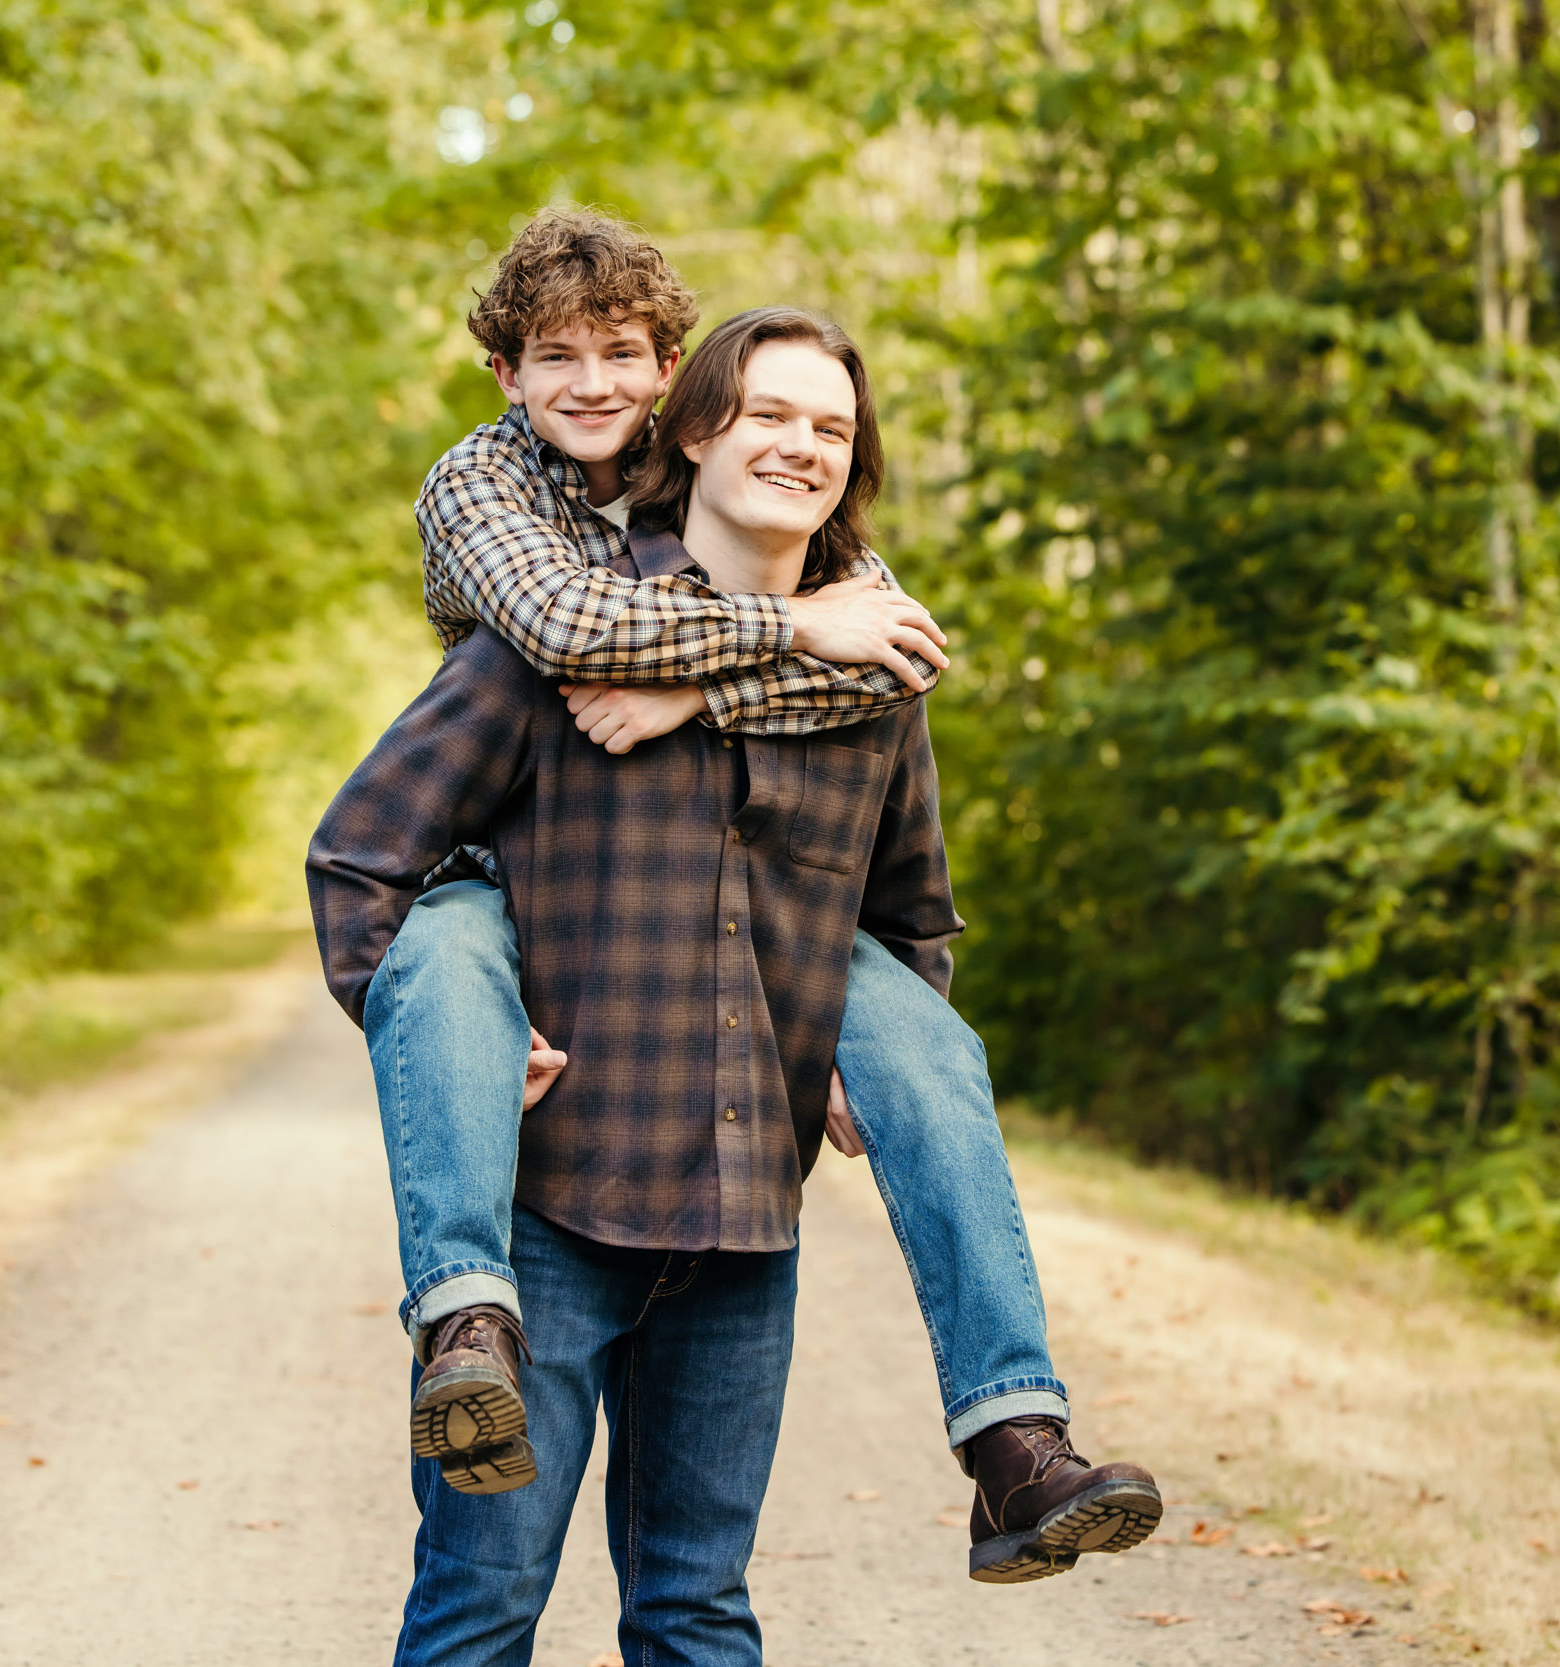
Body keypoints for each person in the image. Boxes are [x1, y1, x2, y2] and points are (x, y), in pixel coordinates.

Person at [348, 209, 1161, 1586]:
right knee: (443, 953)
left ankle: (1016, 1440)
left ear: (670, 379)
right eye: (557, 357)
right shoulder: (488, 497)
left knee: (925, 1039)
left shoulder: (842, 601)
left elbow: (894, 769)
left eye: (623, 354)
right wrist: (778, 638)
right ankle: (464, 1315)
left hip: (743, 1176)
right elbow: (560, 633)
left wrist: (704, 685)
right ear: (510, 376)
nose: (592, 383)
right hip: (496, 871)